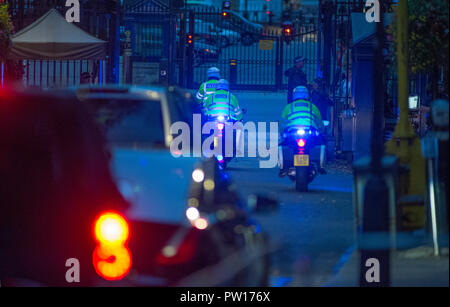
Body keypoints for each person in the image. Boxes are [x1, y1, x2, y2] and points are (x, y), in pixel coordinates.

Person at [279, 85, 327, 177]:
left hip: (292, 132)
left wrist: (282, 134)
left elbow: (282, 123)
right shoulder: (313, 107)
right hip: (310, 131)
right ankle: (321, 166)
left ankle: (282, 168)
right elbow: (320, 122)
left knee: (282, 145)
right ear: (307, 95)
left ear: (294, 96)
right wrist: (321, 131)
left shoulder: (289, 107)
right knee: (321, 143)